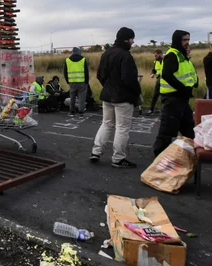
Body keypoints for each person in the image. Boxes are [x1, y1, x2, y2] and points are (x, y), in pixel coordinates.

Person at [90, 27, 141, 168]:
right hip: (123, 98)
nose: (132, 42)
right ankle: (118, 158)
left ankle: (96, 152)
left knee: (106, 124)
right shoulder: (126, 56)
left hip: (107, 95)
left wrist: (107, 86)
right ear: (126, 40)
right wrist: (137, 93)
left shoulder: (106, 53)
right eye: (131, 39)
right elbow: (129, 79)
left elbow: (100, 75)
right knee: (122, 128)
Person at [152, 30, 198, 157]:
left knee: (188, 127)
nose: (187, 43)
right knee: (167, 130)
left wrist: (194, 83)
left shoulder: (182, 54)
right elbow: (167, 75)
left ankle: (190, 154)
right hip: (172, 99)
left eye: (188, 40)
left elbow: (187, 72)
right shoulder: (172, 55)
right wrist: (183, 88)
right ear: (177, 40)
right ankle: (159, 157)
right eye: (184, 40)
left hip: (182, 98)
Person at [64, 47, 90, 117]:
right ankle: (81, 111)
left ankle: (72, 110)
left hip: (72, 82)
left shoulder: (67, 60)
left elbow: (65, 72)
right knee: (82, 97)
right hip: (82, 82)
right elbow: (86, 72)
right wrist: (87, 81)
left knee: (72, 97)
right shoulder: (83, 59)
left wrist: (67, 81)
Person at [147, 49, 163, 114]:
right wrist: (152, 73)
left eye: (156, 55)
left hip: (166, 80)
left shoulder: (166, 60)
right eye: (154, 55)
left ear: (160, 54)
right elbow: (154, 70)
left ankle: (164, 110)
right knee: (155, 95)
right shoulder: (155, 62)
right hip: (159, 80)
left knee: (164, 96)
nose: (155, 57)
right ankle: (151, 109)